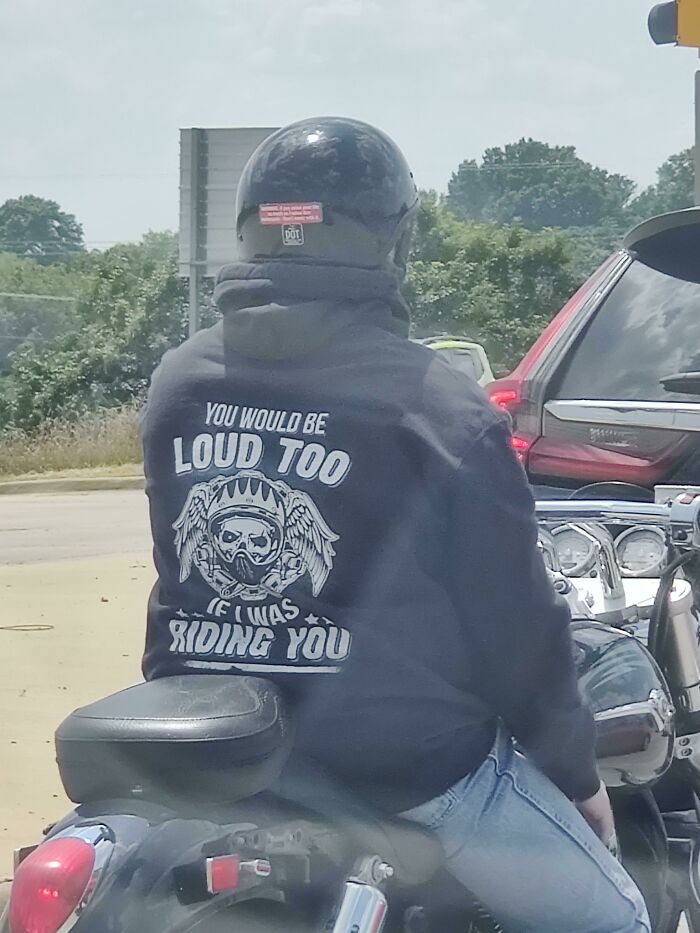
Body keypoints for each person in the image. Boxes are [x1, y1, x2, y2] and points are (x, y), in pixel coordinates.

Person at [140, 116, 650, 932]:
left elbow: (181, 566)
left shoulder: (179, 382)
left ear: (250, 229)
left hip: (219, 750)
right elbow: (513, 626)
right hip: (405, 767)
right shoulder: (439, 407)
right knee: (617, 919)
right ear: (389, 241)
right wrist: (574, 777)